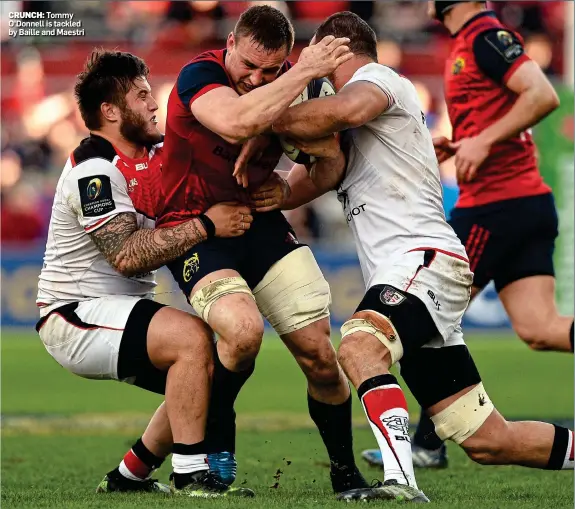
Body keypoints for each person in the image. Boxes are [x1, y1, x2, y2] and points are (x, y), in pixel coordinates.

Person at [252, 11, 574, 502]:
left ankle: (400, 482)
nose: (309, 67)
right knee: (488, 440)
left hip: (423, 258)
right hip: (415, 269)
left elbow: (347, 110)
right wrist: (269, 194)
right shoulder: (348, 121)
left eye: (316, 54)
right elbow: (314, 178)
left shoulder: (376, 79)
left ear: (337, 47)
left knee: (360, 345)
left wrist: (259, 112)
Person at [156, 5, 367, 493]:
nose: (256, 78)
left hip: (260, 222)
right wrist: (297, 87)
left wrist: (289, 192)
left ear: (286, 62)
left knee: (319, 354)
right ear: (230, 43)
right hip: (194, 226)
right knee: (243, 332)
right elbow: (233, 123)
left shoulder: (296, 80)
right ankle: (215, 441)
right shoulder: (199, 74)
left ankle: (346, 476)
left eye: (271, 70)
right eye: (248, 66)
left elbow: (331, 162)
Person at [362, 0, 574, 471]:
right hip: (525, 203)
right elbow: (500, 112)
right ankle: (428, 443)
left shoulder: (484, 36)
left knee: (423, 312)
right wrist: (464, 143)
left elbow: (541, 94)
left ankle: (425, 445)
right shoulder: (468, 41)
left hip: (493, 209)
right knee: (540, 329)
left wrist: (483, 140)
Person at [35, 49, 255, 498]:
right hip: (73, 313)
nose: (154, 104)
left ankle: (128, 476)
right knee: (190, 339)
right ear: (110, 111)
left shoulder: (158, 155)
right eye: (141, 96)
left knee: (204, 367)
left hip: (119, 307)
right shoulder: (92, 169)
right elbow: (126, 255)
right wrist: (208, 225)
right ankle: (191, 474)